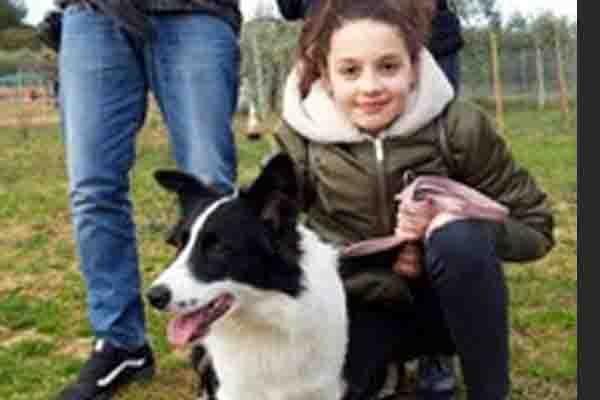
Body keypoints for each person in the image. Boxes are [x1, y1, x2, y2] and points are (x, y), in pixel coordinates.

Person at [274, 0, 555, 399]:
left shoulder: (458, 125)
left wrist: (455, 220)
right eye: (350, 70)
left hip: (441, 301)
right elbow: (264, 237)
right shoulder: (299, 137)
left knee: (458, 240)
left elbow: (536, 227)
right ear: (325, 75)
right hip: (354, 299)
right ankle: (378, 369)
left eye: (388, 67)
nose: (370, 87)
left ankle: (485, 388)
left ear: (414, 67)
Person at [52, 0, 242, 399]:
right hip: (93, 12)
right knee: (92, 189)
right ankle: (121, 342)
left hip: (198, 9)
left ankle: (223, 347)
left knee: (211, 186)